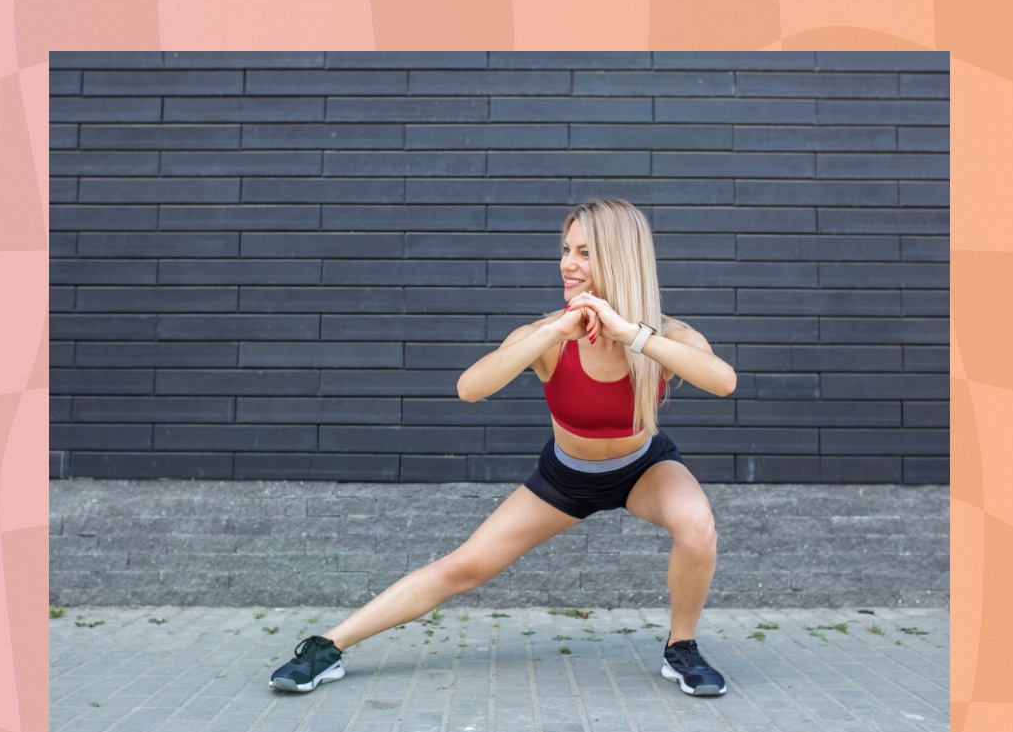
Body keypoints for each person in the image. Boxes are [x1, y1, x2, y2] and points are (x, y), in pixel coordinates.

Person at [269, 199, 737, 697]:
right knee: (463, 567)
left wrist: (630, 334)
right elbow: (469, 388)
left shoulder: (664, 336)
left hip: (643, 468)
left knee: (696, 526)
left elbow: (723, 381)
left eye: (584, 252)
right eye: (565, 250)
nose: (567, 264)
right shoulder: (547, 337)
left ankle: (681, 648)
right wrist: (554, 330)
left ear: (620, 258)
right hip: (565, 476)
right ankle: (327, 647)